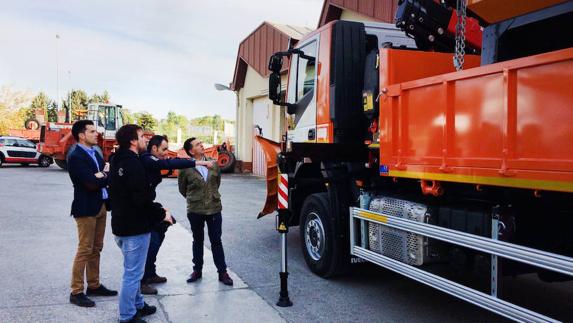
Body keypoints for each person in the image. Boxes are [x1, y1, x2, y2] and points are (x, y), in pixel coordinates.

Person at [109, 124, 173, 323]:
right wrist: (161, 213)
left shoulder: (116, 160)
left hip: (121, 225)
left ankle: (138, 304)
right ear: (133, 141)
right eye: (142, 137)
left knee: (133, 270)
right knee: (133, 274)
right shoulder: (134, 165)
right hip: (134, 227)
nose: (146, 140)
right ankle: (127, 316)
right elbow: (141, 198)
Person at [139, 135, 213, 295]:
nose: (167, 153)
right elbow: (169, 163)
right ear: (154, 149)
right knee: (151, 240)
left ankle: (150, 273)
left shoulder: (151, 159)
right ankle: (142, 279)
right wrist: (197, 162)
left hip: (148, 203)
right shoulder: (147, 159)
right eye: (164, 149)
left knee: (162, 228)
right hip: (141, 206)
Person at [67, 120, 117, 307]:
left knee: (97, 248)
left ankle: (94, 285)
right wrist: (103, 176)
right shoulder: (76, 156)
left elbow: (104, 174)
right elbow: (90, 183)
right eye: (92, 131)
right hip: (86, 208)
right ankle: (76, 291)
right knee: (85, 249)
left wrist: (101, 175)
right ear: (81, 135)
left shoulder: (95, 153)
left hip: (101, 206)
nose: (97, 134)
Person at [178, 137, 233, 286]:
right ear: (191, 151)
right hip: (195, 210)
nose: (201, 145)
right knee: (198, 240)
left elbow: (217, 183)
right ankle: (197, 270)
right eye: (197, 144)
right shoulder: (185, 167)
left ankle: (222, 273)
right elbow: (182, 189)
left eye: (201, 143)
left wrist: (209, 195)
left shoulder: (213, 163)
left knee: (216, 241)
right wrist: (195, 198)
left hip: (214, 209)